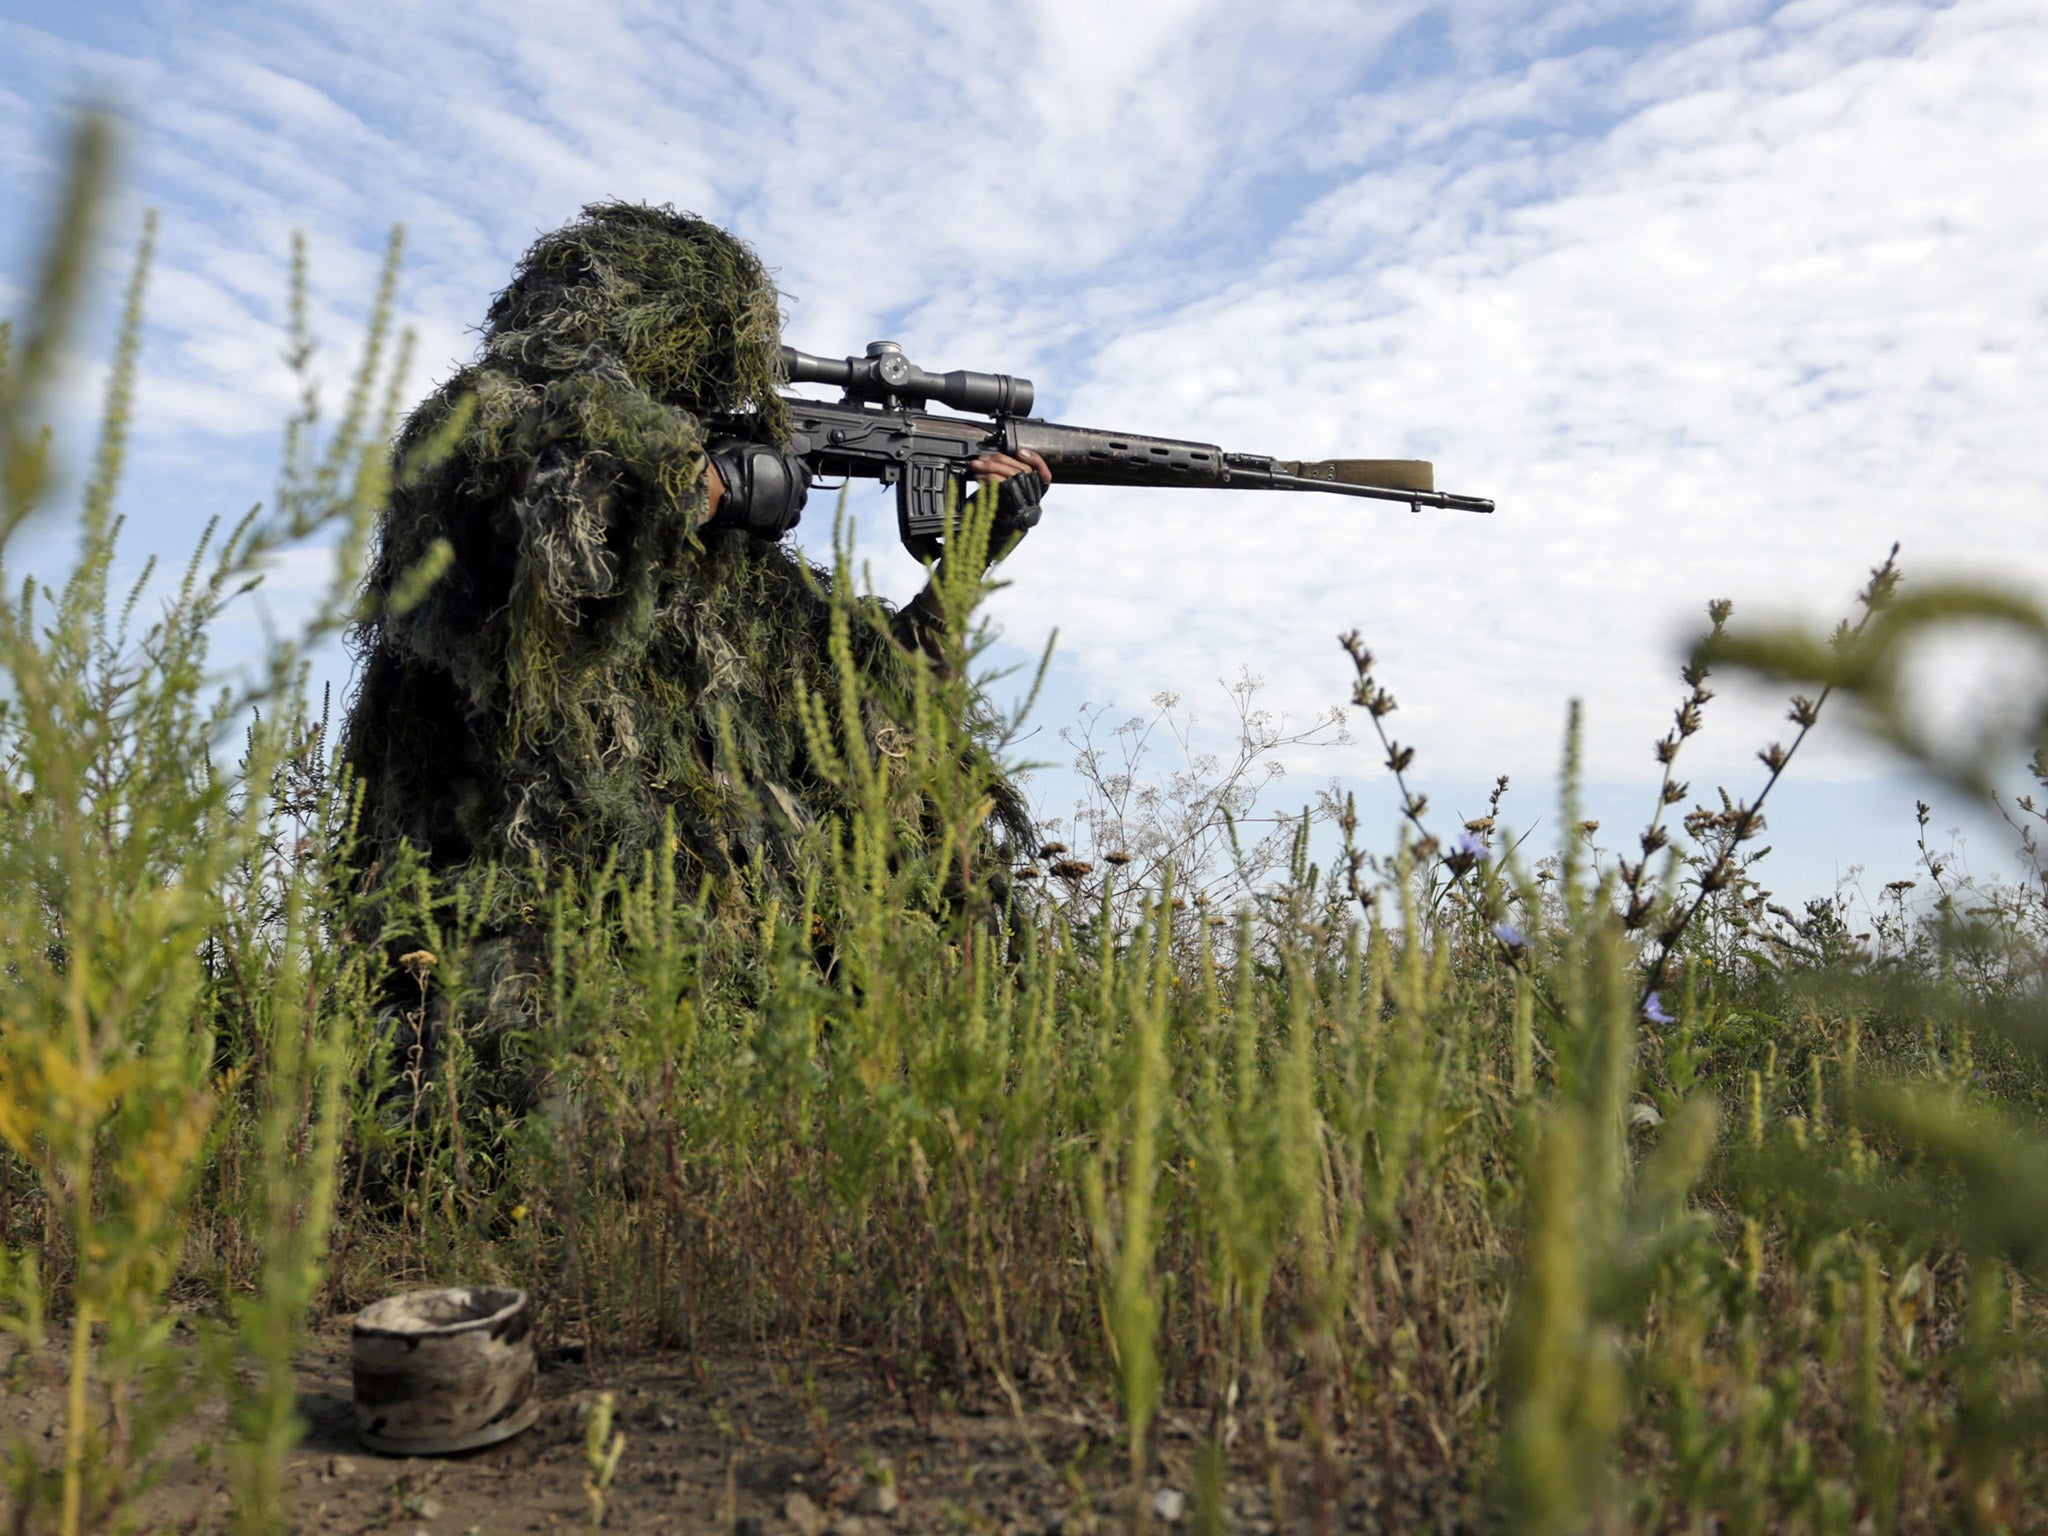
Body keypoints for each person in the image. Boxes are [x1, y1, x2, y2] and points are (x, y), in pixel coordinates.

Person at [340, 202, 1045, 912]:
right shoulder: (485, 423)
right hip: (526, 911)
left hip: (701, 944)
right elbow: (551, 542)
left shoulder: (739, 575)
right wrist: (715, 487)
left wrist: (961, 570)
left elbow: (872, 708)